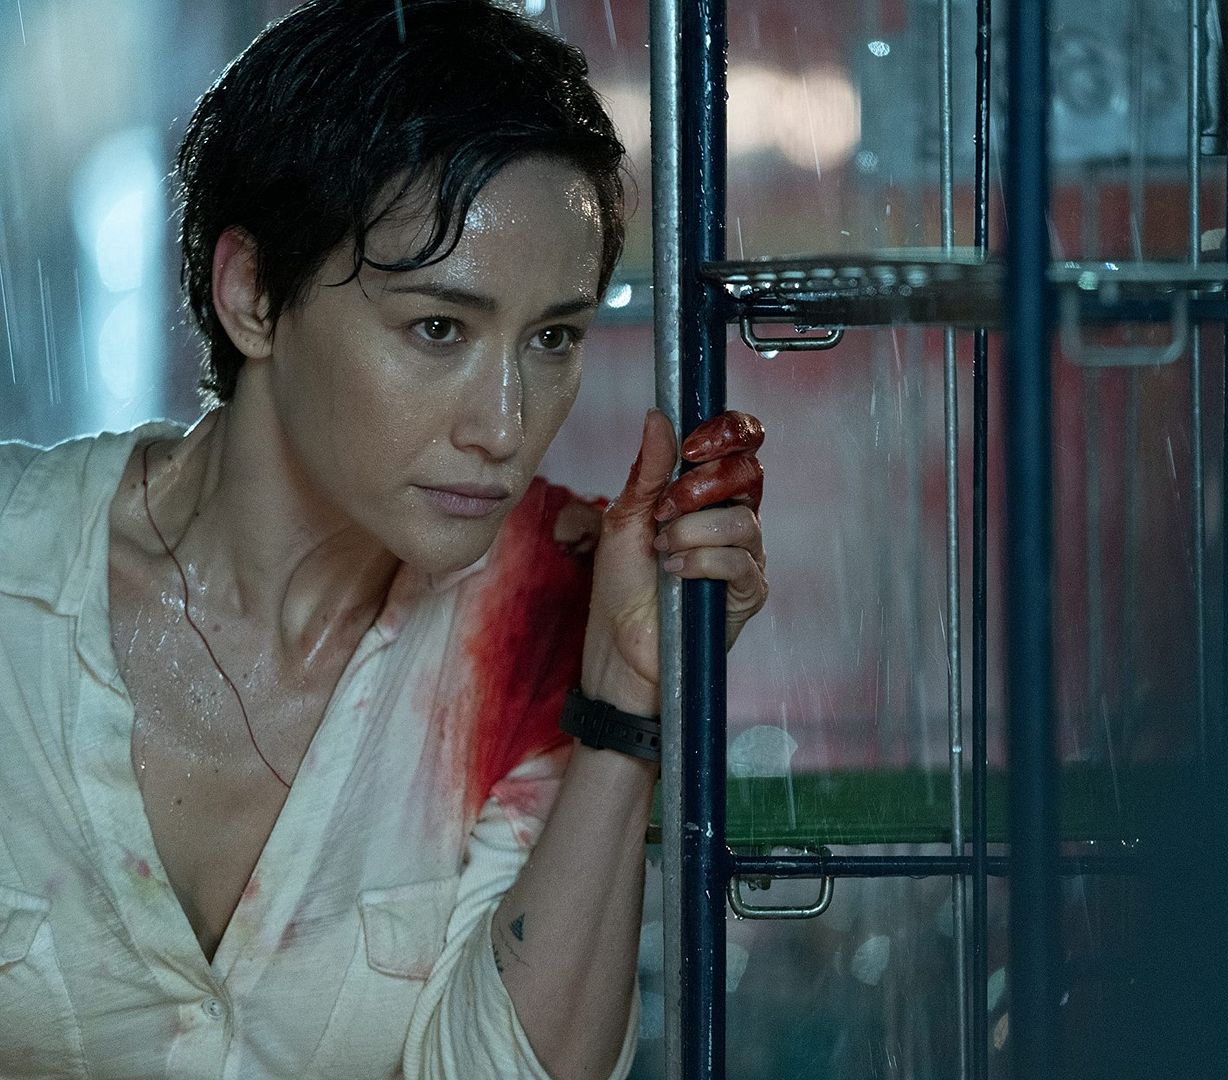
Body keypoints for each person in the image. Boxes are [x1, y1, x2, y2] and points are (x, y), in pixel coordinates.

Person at [0, 1, 768, 1077]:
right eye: (438, 328)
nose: (503, 424)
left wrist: (627, 704)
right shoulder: (18, 579)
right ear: (251, 294)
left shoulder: (541, 611)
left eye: (552, 338)